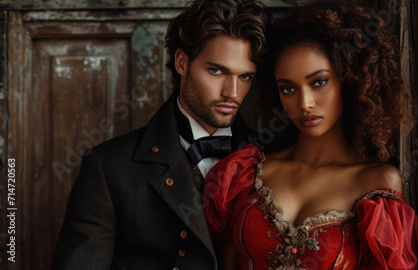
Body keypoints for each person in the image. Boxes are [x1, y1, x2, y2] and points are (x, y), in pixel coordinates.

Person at [203, 0, 418, 269]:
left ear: (349, 80)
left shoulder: (377, 181)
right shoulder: (246, 174)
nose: (305, 103)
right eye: (288, 89)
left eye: (319, 82)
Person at [52, 0, 271, 269]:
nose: (233, 93)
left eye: (245, 76)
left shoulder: (274, 155)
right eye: (216, 71)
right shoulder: (108, 167)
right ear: (182, 62)